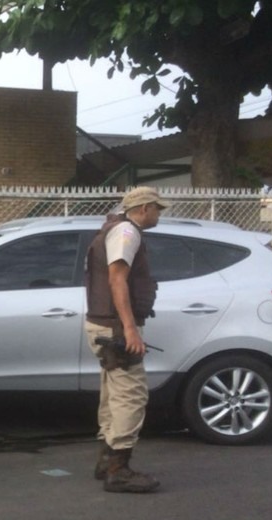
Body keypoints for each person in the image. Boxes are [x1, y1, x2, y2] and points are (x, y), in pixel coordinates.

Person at [85, 186, 168, 494]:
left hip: (104, 324)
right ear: (144, 207)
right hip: (115, 328)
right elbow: (117, 277)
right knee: (131, 395)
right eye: (157, 208)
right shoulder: (127, 233)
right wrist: (130, 328)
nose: (160, 214)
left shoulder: (112, 228)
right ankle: (118, 469)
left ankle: (107, 461)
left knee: (113, 394)